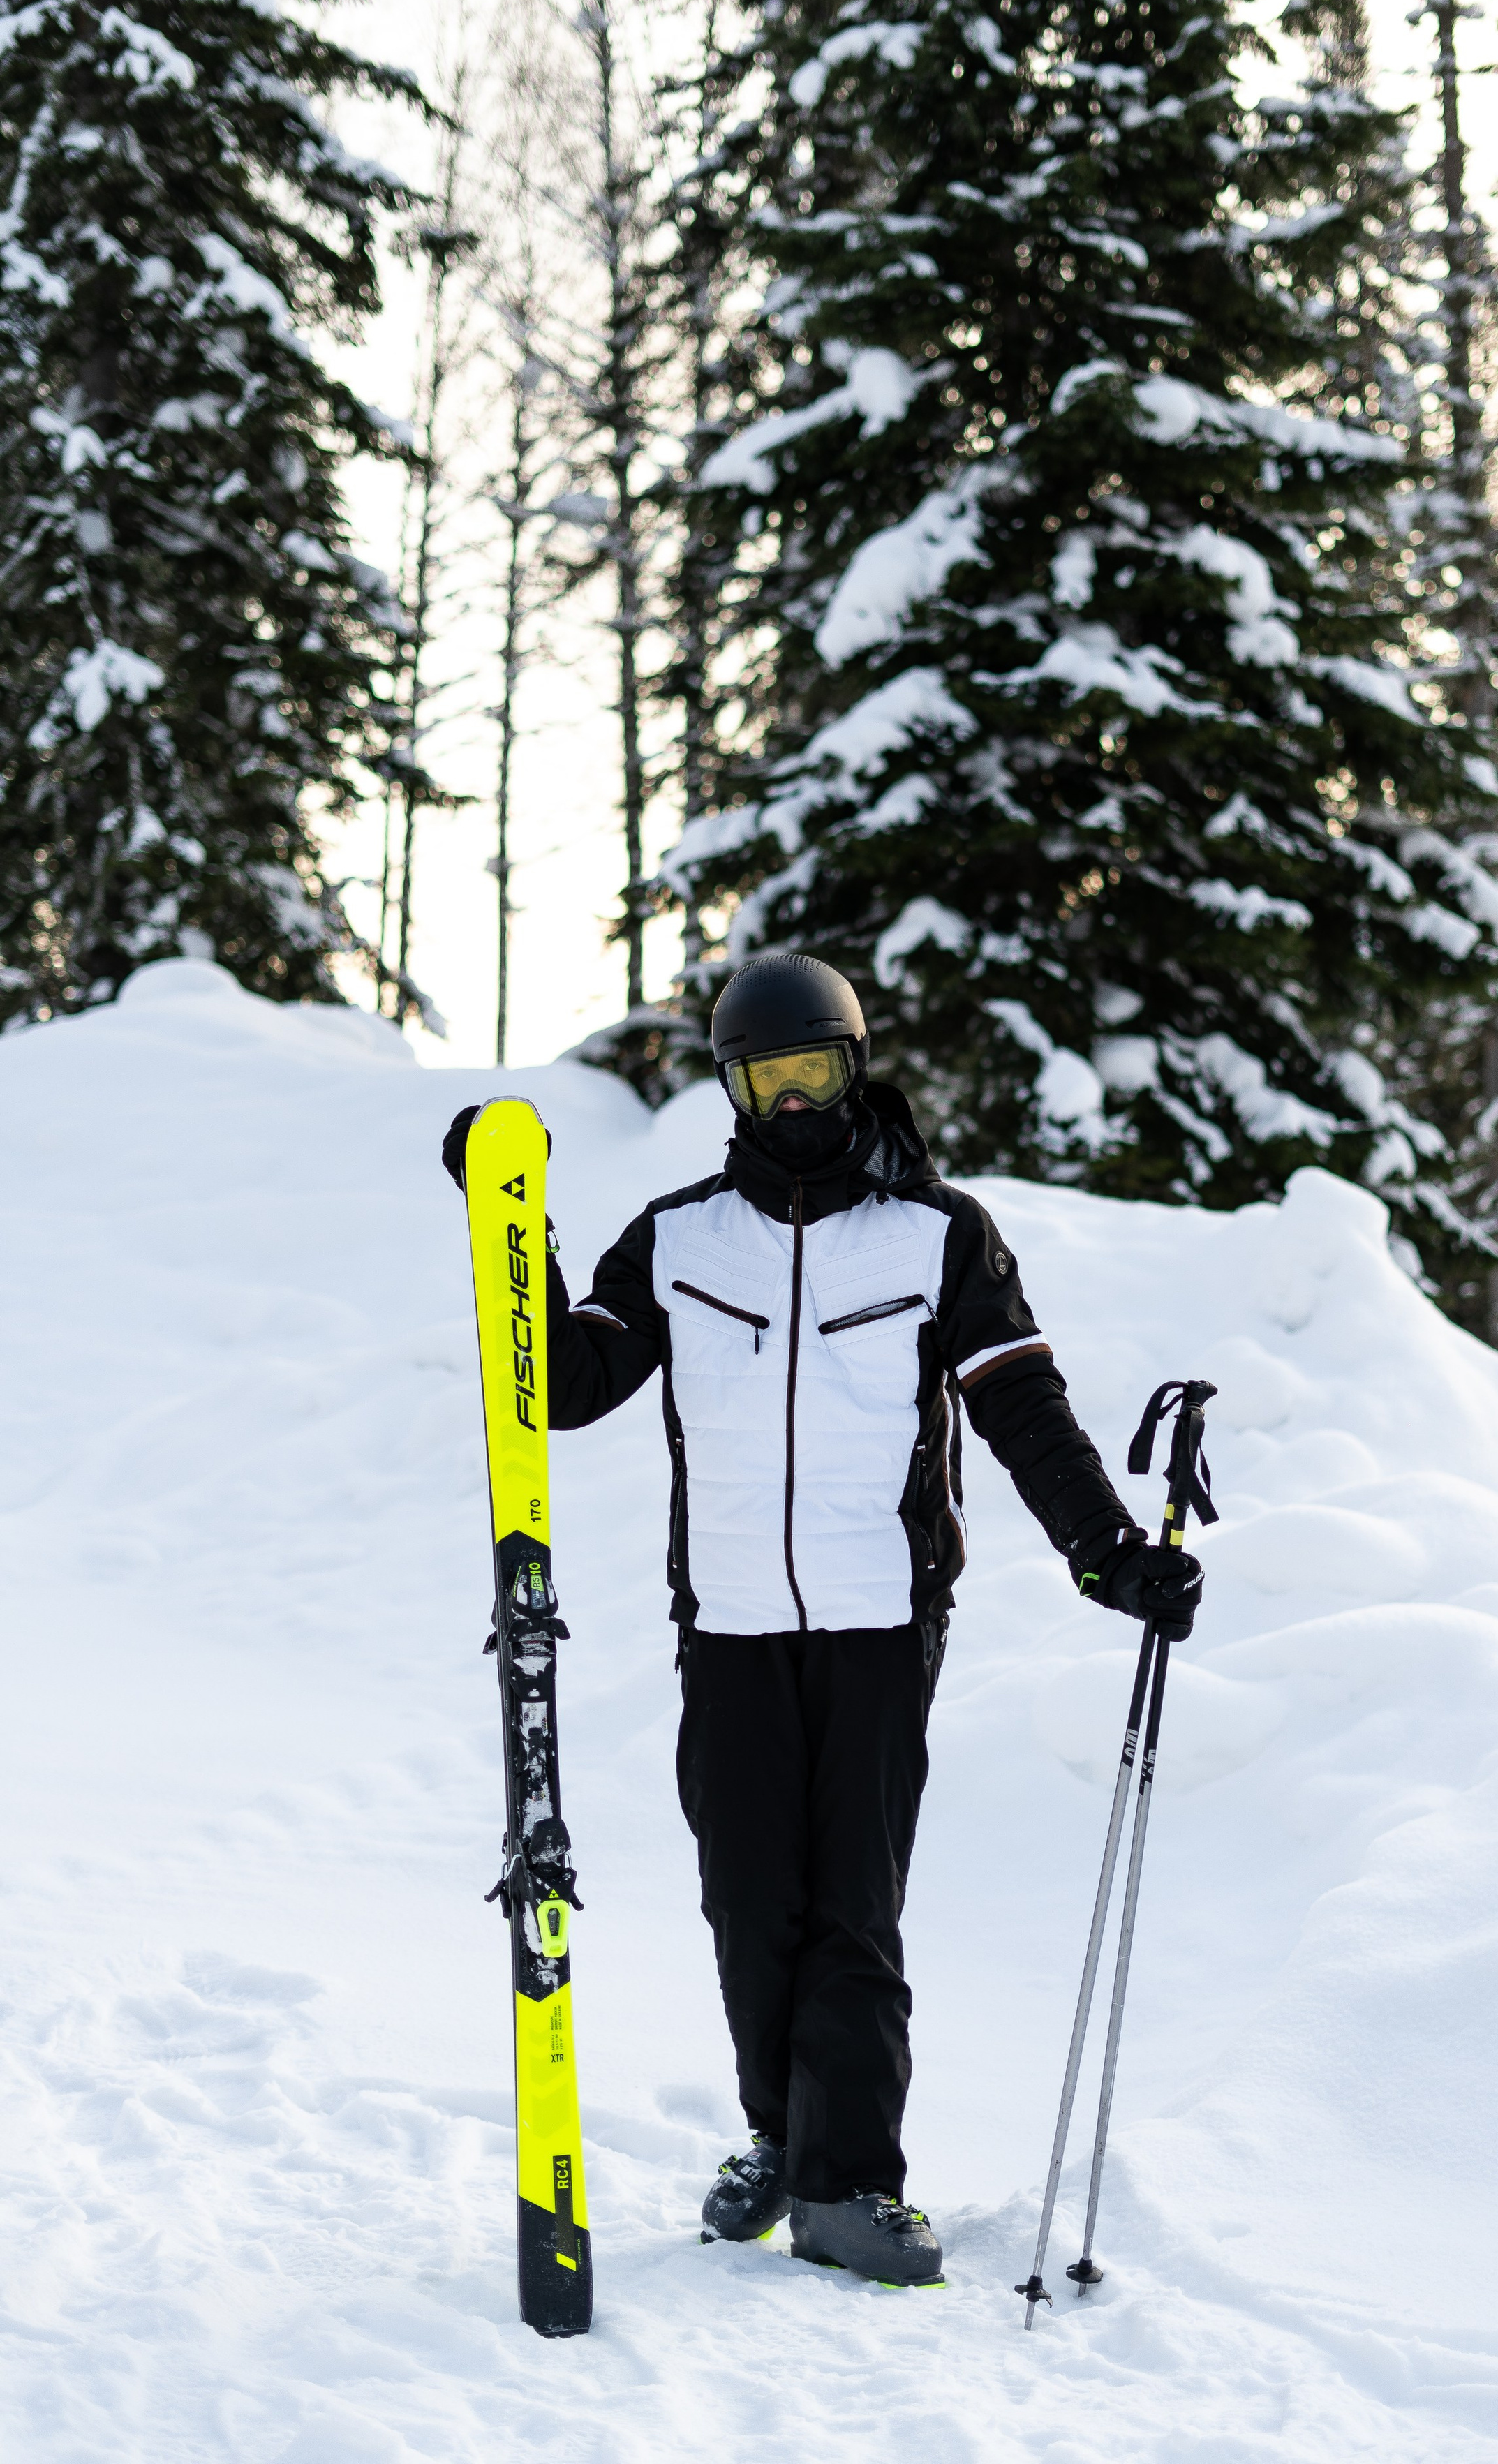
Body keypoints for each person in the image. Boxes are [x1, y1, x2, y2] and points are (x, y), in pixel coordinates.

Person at [443, 952, 1198, 2287]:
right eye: (766, 1078)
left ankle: (851, 2184)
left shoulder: (938, 1236)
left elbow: (1022, 1411)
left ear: (855, 1072)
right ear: (734, 1088)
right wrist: (521, 1237)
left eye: (817, 1074)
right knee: (749, 1906)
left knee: (850, 1907)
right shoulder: (677, 1238)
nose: (795, 1104)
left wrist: (1109, 1557)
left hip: (875, 1624)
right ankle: (780, 2139)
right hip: (726, 1626)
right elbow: (567, 1387)